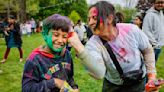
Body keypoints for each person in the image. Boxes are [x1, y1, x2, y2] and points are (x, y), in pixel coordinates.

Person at [68, 1, 160, 92]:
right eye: (89, 19)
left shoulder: (131, 30)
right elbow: (99, 73)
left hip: (139, 82)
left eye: (94, 18)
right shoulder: (93, 44)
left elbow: (147, 50)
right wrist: (80, 48)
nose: (90, 23)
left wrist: (151, 77)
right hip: (114, 86)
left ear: (110, 18)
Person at [22, 14, 79, 92]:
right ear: (45, 34)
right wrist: (54, 82)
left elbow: (69, 77)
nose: (60, 40)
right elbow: (26, 88)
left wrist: (74, 88)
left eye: (64, 36)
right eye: (56, 35)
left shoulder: (67, 55)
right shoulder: (35, 60)